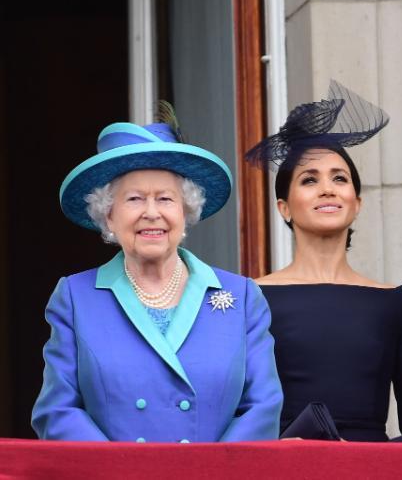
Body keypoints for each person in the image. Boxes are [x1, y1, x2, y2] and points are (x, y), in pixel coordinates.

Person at [33, 109, 282, 442]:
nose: (152, 213)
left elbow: (263, 408)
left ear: (186, 211)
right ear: (108, 216)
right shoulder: (76, 297)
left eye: (165, 199)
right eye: (134, 199)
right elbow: (57, 411)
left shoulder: (243, 296)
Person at [247, 81, 402, 442]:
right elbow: (235, 413)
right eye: (309, 179)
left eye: (340, 178)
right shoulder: (251, 298)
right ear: (283, 208)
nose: (327, 188)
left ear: (357, 202)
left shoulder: (396, 303)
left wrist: (366, 463)